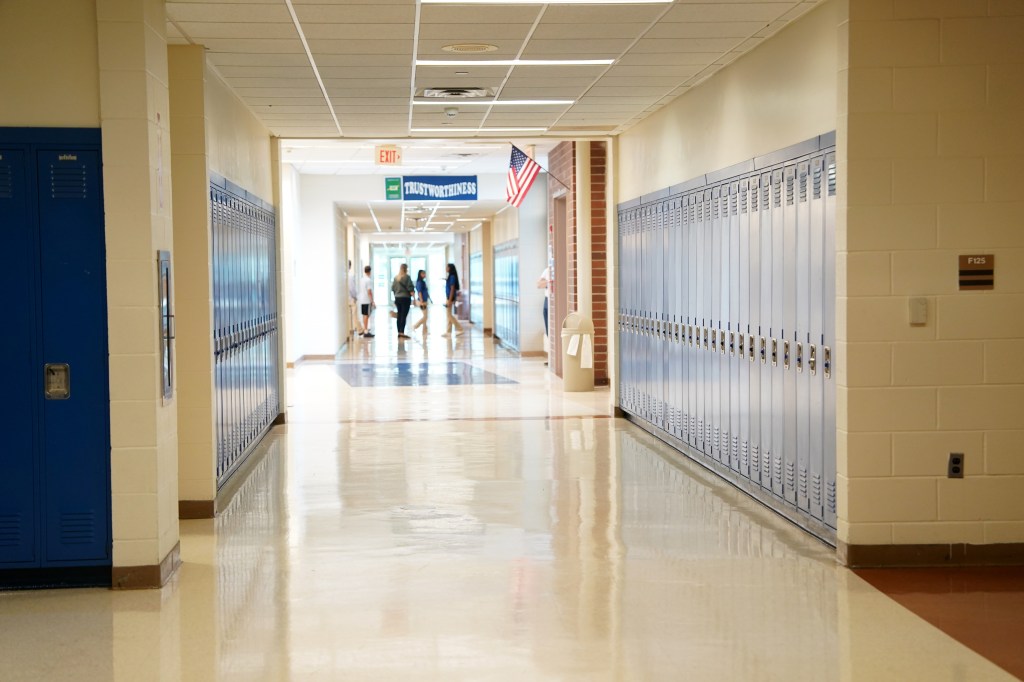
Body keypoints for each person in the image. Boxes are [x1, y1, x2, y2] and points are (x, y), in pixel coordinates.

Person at [391, 263, 414, 339]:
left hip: (397, 298)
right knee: (403, 316)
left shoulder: (396, 278)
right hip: (405, 298)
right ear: (406, 269)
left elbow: (393, 288)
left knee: (399, 315)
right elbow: (410, 288)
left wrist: (396, 295)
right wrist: (414, 297)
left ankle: (399, 332)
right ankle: (401, 332)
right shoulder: (407, 277)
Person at [442, 262, 464, 337]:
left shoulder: (452, 277)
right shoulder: (451, 276)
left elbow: (452, 289)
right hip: (449, 297)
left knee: (449, 315)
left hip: (450, 297)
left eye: (447, 267)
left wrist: (450, 300)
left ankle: (460, 328)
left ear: (450, 268)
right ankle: (448, 332)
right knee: (448, 314)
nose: (446, 268)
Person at [411, 269, 431, 334]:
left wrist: (430, 298)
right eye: (423, 274)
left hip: (424, 301)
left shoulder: (423, 282)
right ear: (420, 274)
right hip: (421, 301)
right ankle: (415, 326)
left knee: (425, 315)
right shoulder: (419, 282)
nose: (424, 275)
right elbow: (419, 292)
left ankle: (425, 330)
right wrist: (422, 301)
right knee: (425, 316)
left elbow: (425, 291)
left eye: (425, 273)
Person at [358, 265, 374, 338]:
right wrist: (372, 301)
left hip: (362, 299)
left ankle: (365, 330)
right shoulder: (368, 280)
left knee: (365, 315)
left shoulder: (362, 279)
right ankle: (366, 331)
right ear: (370, 271)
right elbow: (369, 291)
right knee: (366, 316)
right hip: (367, 300)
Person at [347, 260, 363, 336]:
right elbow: (352, 288)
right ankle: (359, 330)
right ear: (350, 266)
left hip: (345, 298)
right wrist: (355, 296)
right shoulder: (350, 276)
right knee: (354, 315)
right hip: (351, 298)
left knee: (349, 315)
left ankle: (351, 330)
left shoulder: (342, 275)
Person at [537, 265, 550, 337]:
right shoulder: (547, 270)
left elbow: (542, 283)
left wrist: (545, 282)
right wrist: (549, 282)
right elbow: (539, 284)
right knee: (547, 323)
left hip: (551, 300)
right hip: (547, 299)